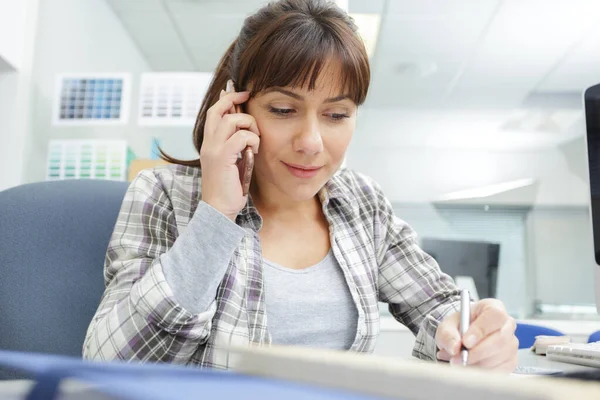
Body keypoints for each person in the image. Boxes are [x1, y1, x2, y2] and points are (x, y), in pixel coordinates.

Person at [83, 0, 518, 371]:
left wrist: (472, 333)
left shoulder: (361, 202)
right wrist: (215, 216)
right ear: (235, 106)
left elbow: (438, 308)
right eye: (283, 109)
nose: (311, 143)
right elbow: (108, 362)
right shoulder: (164, 194)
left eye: (336, 115)